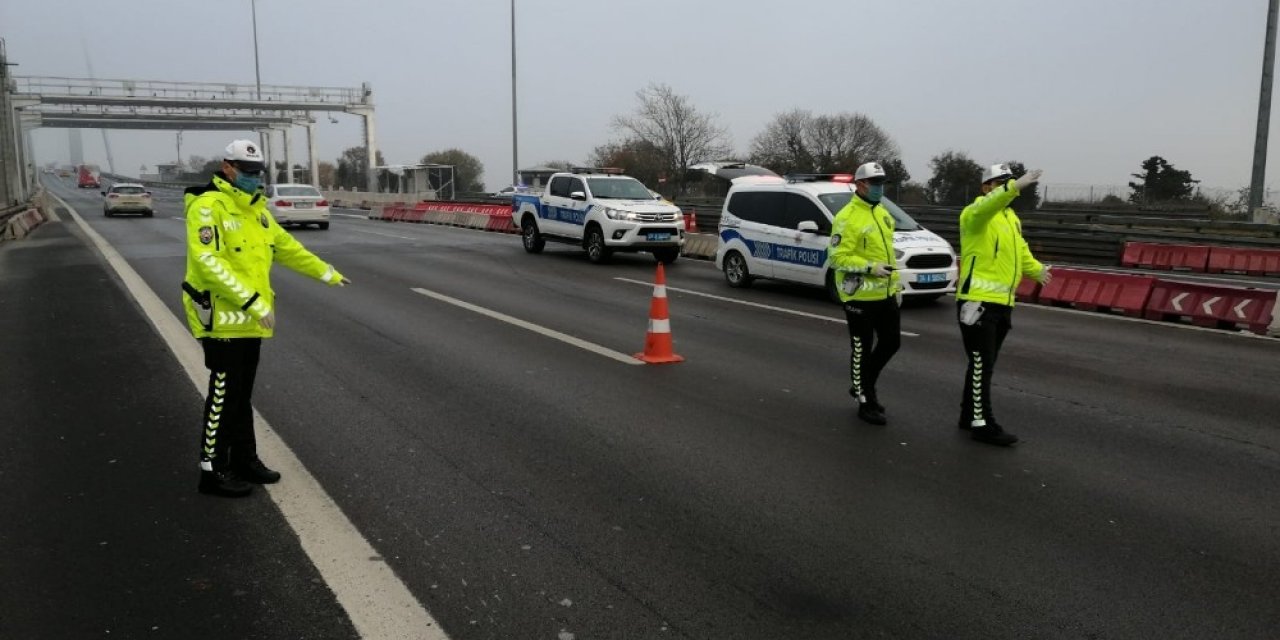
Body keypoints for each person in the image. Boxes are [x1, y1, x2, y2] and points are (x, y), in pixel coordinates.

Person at [182, 139, 350, 497]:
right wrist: (255, 303)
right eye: (246, 172)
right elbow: (208, 265)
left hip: (249, 323)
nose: (253, 179)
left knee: (242, 396)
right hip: (221, 320)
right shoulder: (208, 208)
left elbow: (287, 247)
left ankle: (245, 459)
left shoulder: (256, 211)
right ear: (227, 168)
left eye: (258, 173)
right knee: (223, 396)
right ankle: (212, 469)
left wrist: (327, 273)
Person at [955, 164, 1051, 446]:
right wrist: (1013, 187)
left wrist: (1036, 270)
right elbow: (989, 206)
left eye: (1010, 181)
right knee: (981, 364)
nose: (1009, 186)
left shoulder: (1010, 219)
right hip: (977, 302)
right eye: (1001, 183)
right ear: (986, 187)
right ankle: (982, 423)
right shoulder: (975, 214)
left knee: (984, 364)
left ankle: (968, 414)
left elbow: (1020, 251)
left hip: (1002, 302)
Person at [828, 162, 903, 425]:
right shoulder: (846, 217)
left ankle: (861, 384)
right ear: (860, 185)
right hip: (858, 296)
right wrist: (870, 268)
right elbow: (837, 258)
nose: (879, 188)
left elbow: (888, 253)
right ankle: (865, 400)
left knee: (892, 342)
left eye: (882, 183)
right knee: (861, 348)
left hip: (885, 294)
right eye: (875, 183)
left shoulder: (882, 213)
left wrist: (895, 285)